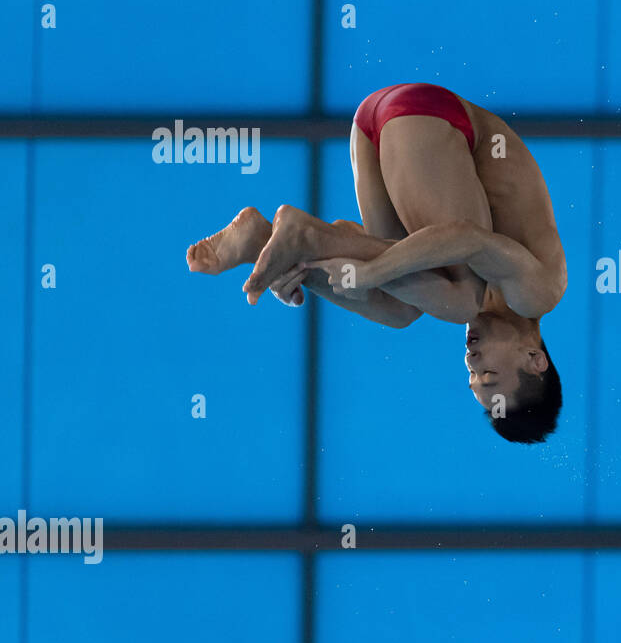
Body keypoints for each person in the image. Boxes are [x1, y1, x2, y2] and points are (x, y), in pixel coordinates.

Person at [186, 83, 566, 443]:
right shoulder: (538, 292)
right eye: (489, 373)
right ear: (535, 359)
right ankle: (301, 240)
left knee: (402, 309)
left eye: (471, 376)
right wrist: (372, 272)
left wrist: (306, 272)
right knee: (453, 294)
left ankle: (266, 242)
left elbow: (355, 239)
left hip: (374, 128)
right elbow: (465, 236)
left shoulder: (467, 298)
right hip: (431, 117)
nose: (471, 361)